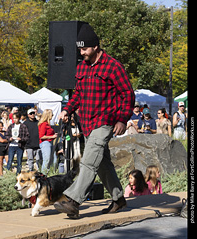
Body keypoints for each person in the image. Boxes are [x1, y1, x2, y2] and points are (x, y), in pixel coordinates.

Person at [55, 23, 135, 218]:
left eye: (84, 48)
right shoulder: (81, 67)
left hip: (105, 122)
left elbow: (128, 94)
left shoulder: (113, 66)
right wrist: (67, 109)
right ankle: (118, 198)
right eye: (79, 49)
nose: (81, 52)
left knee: (89, 161)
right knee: (102, 163)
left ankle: (73, 201)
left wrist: (122, 119)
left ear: (95, 47)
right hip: (87, 123)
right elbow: (78, 96)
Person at [38, 109, 57, 174]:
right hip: (45, 143)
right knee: (47, 160)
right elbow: (41, 136)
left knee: (53, 160)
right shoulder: (44, 124)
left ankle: (51, 173)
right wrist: (52, 136)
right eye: (51, 114)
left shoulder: (47, 124)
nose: (52, 115)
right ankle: (43, 174)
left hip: (49, 143)